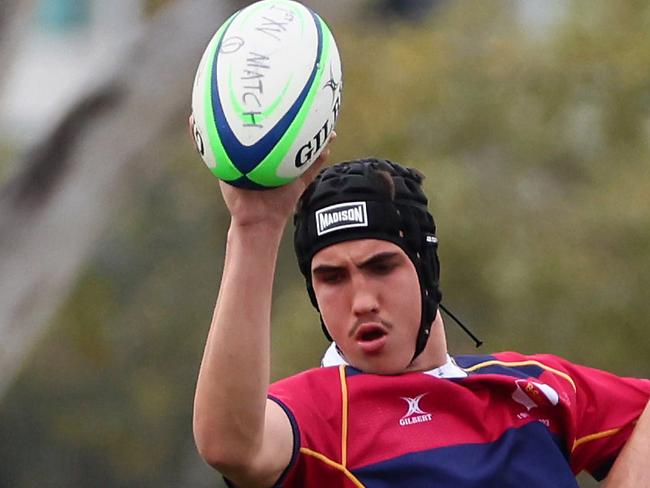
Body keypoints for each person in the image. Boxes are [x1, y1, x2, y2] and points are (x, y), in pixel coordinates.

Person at [193, 147, 650, 487]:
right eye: (332, 278)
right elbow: (229, 446)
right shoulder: (314, 416)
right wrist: (255, 226)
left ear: (426, 270)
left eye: (381, 266)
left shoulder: (534, 387)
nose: (362, 300)